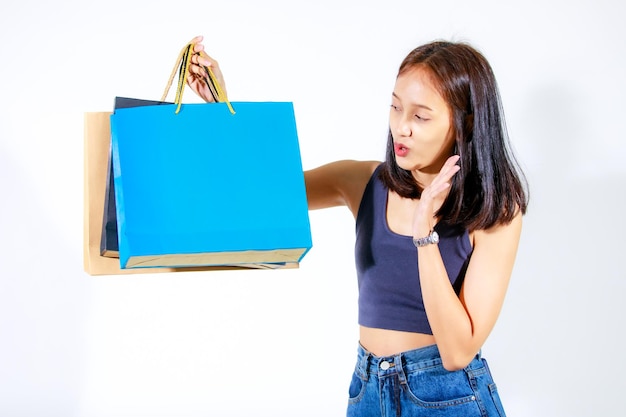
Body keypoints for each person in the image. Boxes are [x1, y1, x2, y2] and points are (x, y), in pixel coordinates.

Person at [186, 35, 528, 417]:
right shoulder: (365, 182)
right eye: (395, 108)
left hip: (447, 398)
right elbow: (268, 193)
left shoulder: (496, 210)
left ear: (465, 123)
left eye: (420, 116)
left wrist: (424, 235)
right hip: (367, 392)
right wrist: (220, 105)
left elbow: (458, 352)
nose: (401, 128)